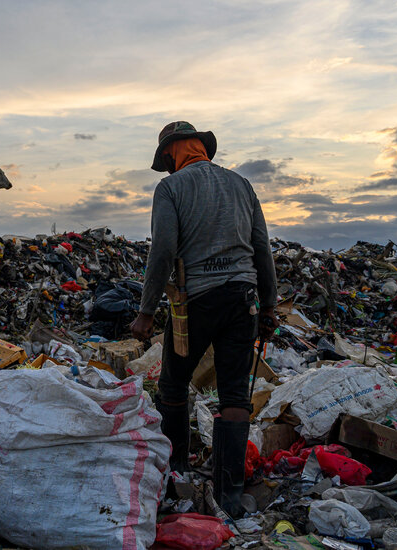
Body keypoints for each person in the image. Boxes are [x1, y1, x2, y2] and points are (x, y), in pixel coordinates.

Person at [130, 121, 279, 517]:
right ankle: (229, 496)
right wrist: (269, 306)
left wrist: (145, 313)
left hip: (195, 300)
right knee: (234, 394)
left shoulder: (170, 188)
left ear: (169, 154)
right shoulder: (243, 185)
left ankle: (177, 475)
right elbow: (262, 247)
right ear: (201, 147)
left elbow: (162, 251)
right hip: (243, 299)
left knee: (173, 385)